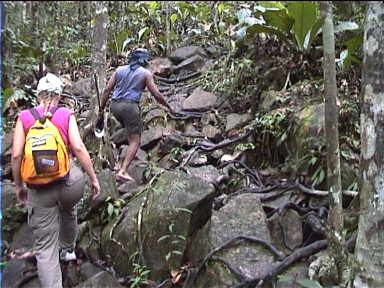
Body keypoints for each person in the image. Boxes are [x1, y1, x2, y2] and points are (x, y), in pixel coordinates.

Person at [11, 73, 101, 288]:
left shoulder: (24, 117)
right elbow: (78, 148)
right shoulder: (65, 114)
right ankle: (68, 250)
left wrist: (18, 186)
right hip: (69, 183)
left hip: (39, 190)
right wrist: (94, 178)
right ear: (59, 95)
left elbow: (15, 155)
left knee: (45, 249)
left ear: (38, 95)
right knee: (68, 210)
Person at [99, 48, 174, 182]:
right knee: (135, 140)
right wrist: (168, 106)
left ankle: (117, 164)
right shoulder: (145, 74)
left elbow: (106, 90)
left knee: (125, 132)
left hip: (114, 106)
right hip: (130, 106)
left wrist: (101, 109)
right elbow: (156, 94)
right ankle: (123, 170)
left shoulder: (119, 70)